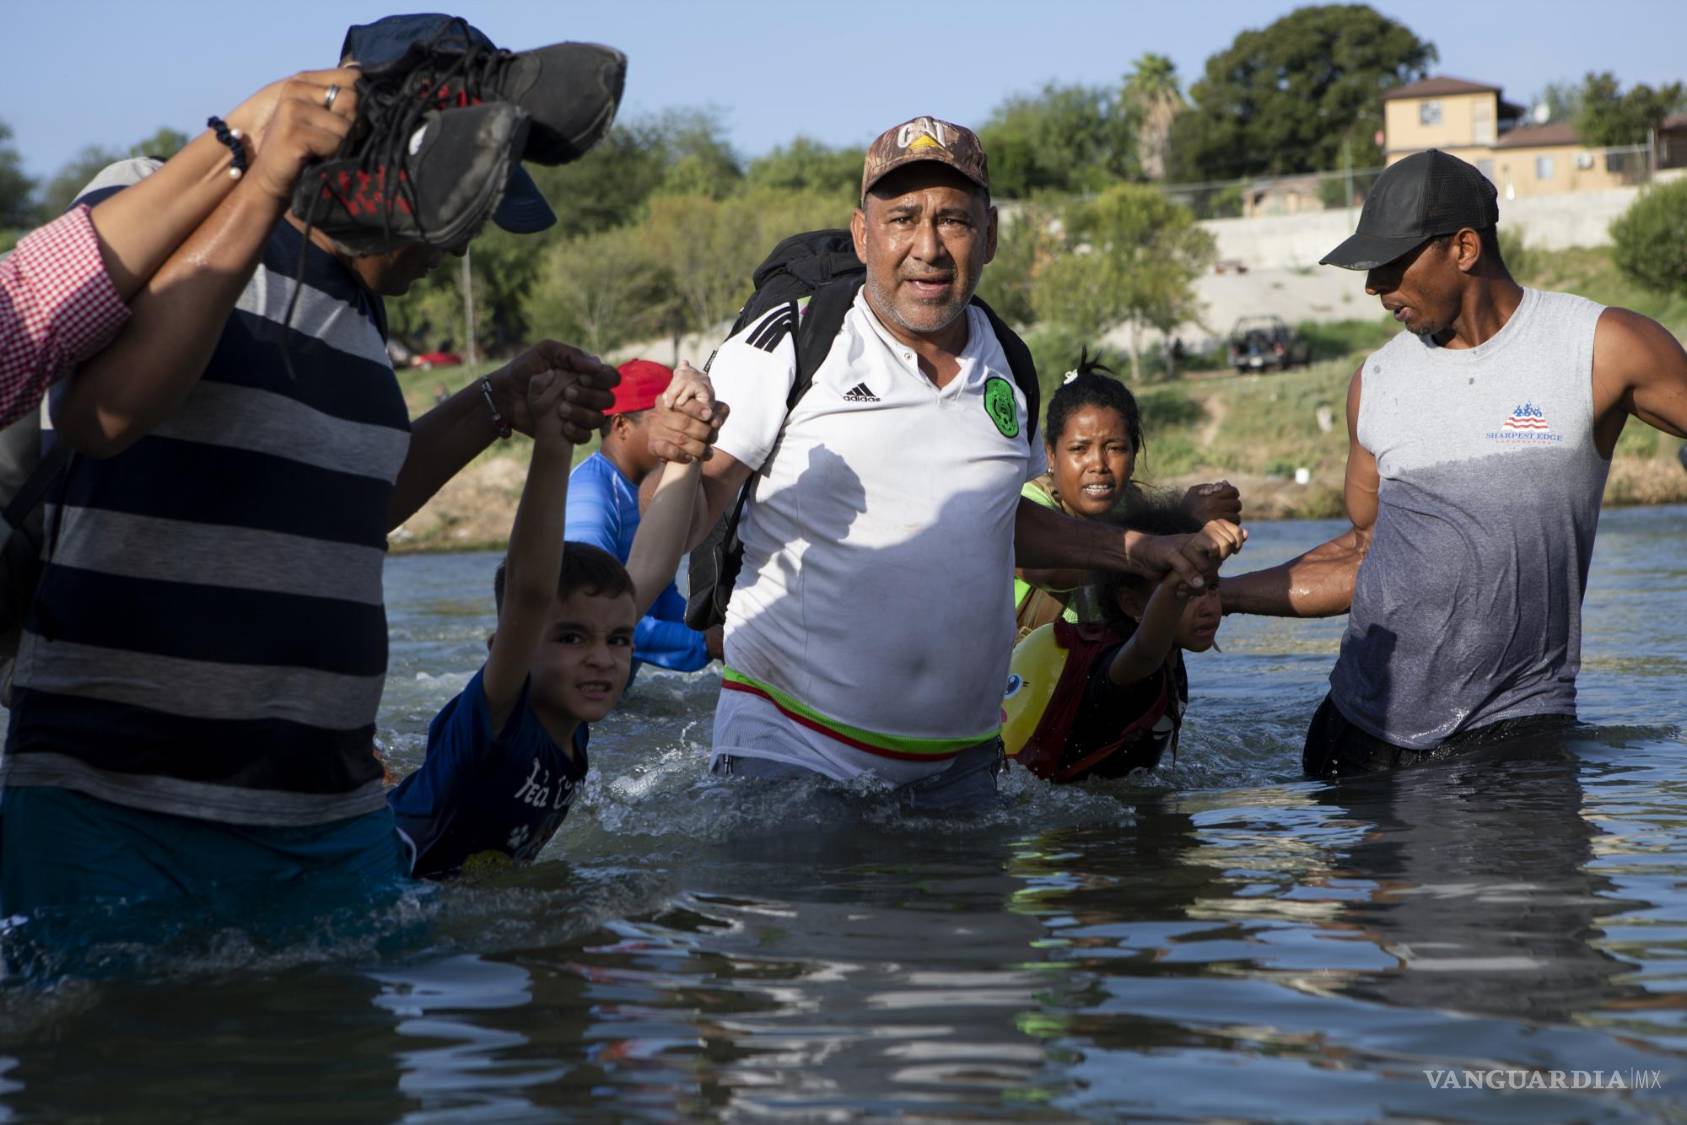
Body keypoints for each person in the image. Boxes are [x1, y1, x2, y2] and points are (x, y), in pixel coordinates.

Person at [0, 15, 622, 919]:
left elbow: (343, 513)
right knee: (117, 1055)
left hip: (326, 813)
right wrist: (262, 173)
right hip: (121, 801)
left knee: (342, 1059)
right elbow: (103, 413)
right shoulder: (162, 199)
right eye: (462, 191)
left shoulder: (366, 325)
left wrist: (494, 402)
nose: (461, 236)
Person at [646, 115, 1242, 807]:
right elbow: (690, 513)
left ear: (989, 236)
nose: (926, 247)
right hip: (790, 757)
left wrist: (1139, 549)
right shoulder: (792, 337)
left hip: (960, 774)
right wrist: (679, 457)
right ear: (862, 233)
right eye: (902, 218)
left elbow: (995, 519)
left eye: (953, 220)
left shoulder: (1008, 361)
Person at [1218, 149, 1687, 780]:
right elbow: (1367, 553)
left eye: (1390, 266)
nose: (1373, 287)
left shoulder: (1602, 347)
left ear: (1464, 248)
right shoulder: (1375, 382)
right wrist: (1220, 597)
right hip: (1355, 735)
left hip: (1513, 737)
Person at [388, 364, 715, 878]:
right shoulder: (499, 717)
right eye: (571, 637)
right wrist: (553, 438)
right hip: (390, 885)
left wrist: (686, 452)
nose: (602, 659)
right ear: (505, 648)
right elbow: (529, 593)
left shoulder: (574, 714)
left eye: (619, 640)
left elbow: (651, 566)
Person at [0, 70, 366, 428]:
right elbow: (87, 413)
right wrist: (249, 151)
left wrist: (244, 139)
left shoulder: (362, 305)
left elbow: (26, 308)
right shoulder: (136, 182)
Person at [1014, 353, 1239, 639]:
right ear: (1050, 455)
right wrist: (1181, 520)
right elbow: (1048, 570)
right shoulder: (1029, 500)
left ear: (1134, 455)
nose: (1098, 465)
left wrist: (1199, 534)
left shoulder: (1131, 505)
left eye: (1115, 449)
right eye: (1079, 449)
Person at [1005, 509, 1231, 783]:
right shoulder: (1121, 668)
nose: (1208, 608)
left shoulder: (1172, 652)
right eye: (1188, 591)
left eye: (1212, 587)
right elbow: (1146, 650)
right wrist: (1175, 588)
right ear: (1132, 604)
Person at [565, 358, 720, 680]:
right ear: (622, 426)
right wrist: (705, 643)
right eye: (664, 421)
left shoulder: (648, 490)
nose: (679, 431)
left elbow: (659, 597)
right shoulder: (590, 498)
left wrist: (715, 633)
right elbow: (586, 615)